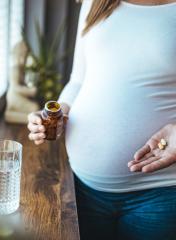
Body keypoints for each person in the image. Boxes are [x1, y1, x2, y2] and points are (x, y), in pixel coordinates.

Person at [27, 0, 176, 239]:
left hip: (159, 194)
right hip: (80, 188)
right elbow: (78, 80)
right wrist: (55, 114)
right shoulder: (96, 2)